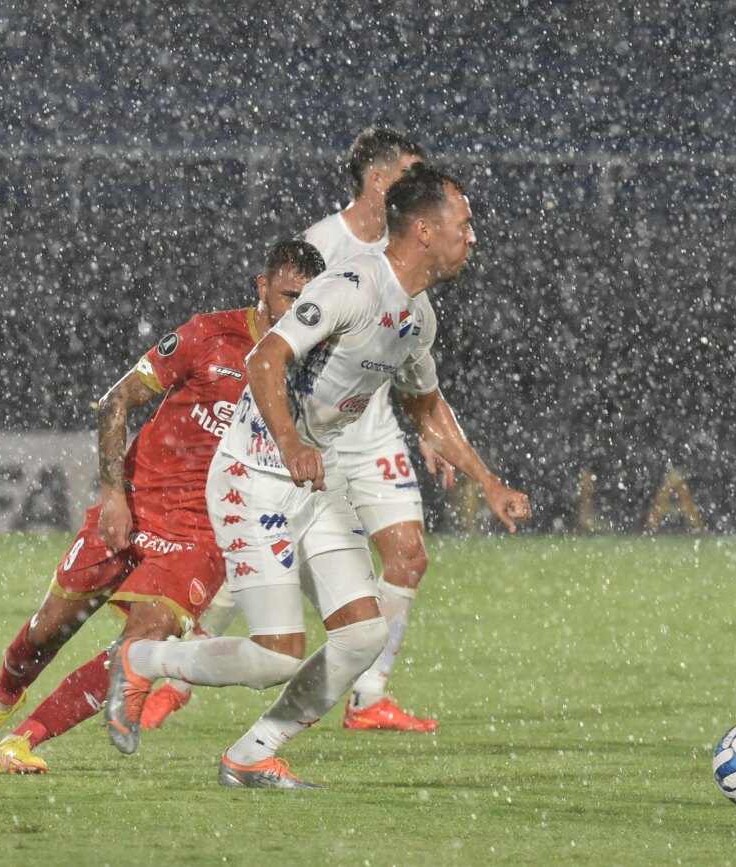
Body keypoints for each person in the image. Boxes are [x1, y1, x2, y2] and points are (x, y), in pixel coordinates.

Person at [105, 164, 532, 788]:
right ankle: (143, 661)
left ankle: (250, 755)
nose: (473, 237)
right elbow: (265, 357)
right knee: (276, 655)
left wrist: (487, 481)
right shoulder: (351, 287)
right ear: (423, 230)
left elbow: (425, 406)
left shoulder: (419, 317)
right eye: (463, 224)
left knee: (363, 635)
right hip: (252, 479)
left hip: (312, 485)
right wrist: (288, 439)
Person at [0, 241, 324, 774]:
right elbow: (115, 400)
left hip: (203, 531)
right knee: (45, 632)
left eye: (309, 301)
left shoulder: (312, 364)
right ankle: (2, 700)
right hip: (135, 503)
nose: (298, 311)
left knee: (140, 646)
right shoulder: (208, 335)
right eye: (289, 295)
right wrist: (112, 497)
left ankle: (21, 742)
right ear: (261, 287)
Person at [142, 126, 454, 734]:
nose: (423, 188)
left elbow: (405, 355)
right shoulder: (322, 246)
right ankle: (177, 676)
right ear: (379, 180)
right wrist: (276, 433)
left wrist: (430, 431)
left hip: (369, 427)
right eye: (412, 174)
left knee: (408, 556)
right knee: (260, 568)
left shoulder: (411, 263)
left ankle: (367, 698)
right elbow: (273, 347)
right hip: (305, 435)